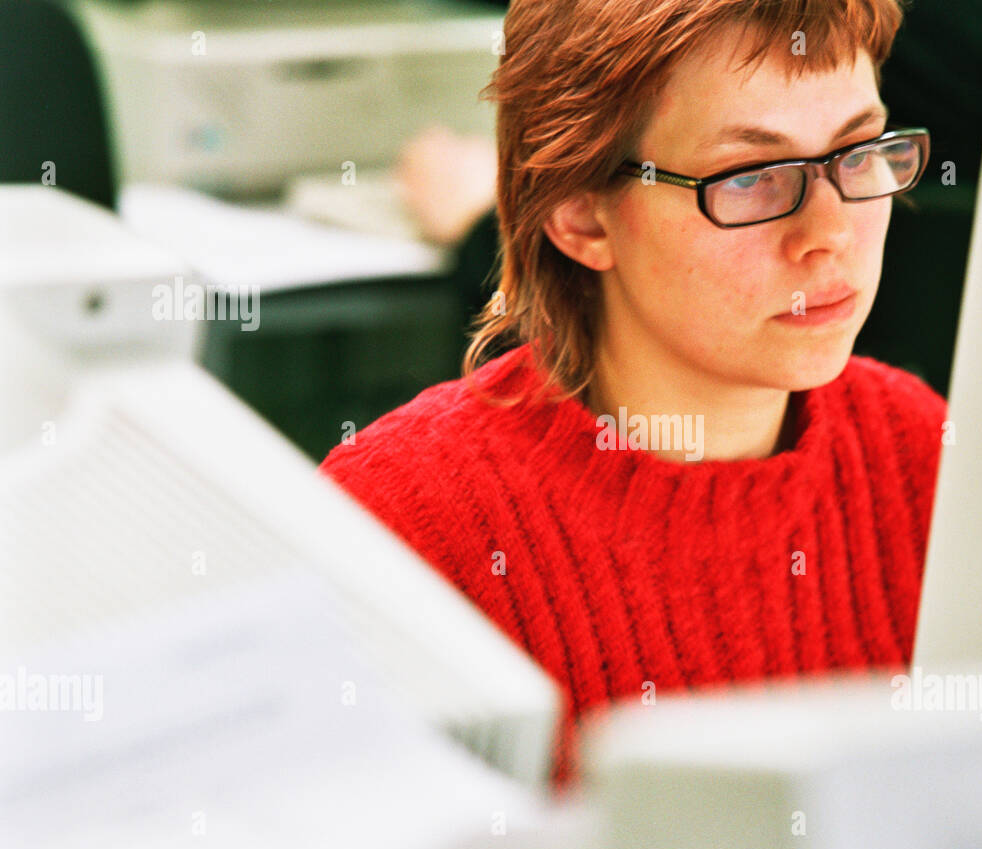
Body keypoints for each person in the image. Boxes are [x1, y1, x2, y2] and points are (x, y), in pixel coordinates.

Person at [321, 0, 947, 789]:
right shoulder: (394, 524)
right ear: (580, 215)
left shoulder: (922, 450)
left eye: (858, 153)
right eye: (751, 176)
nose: (828, 232)